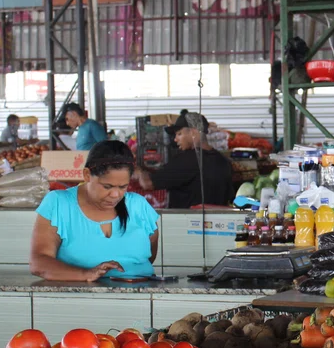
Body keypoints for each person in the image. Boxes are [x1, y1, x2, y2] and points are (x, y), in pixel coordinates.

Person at [31, 141, 160, 282]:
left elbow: (150, 255)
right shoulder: (58, 203)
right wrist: (86, 274)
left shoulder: (138, 205)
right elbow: (39, 263)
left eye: (123, 187)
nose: (115, 195)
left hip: (142, 299)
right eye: (107, 186)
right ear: (87, 175)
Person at [142, 110, 233, 209]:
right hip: (217, 222)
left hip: (187, 222)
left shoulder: (186, 161)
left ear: (193, 132)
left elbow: (148, 184)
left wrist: (139, 171)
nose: (175, 139)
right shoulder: (224, 161)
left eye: (179, 134)